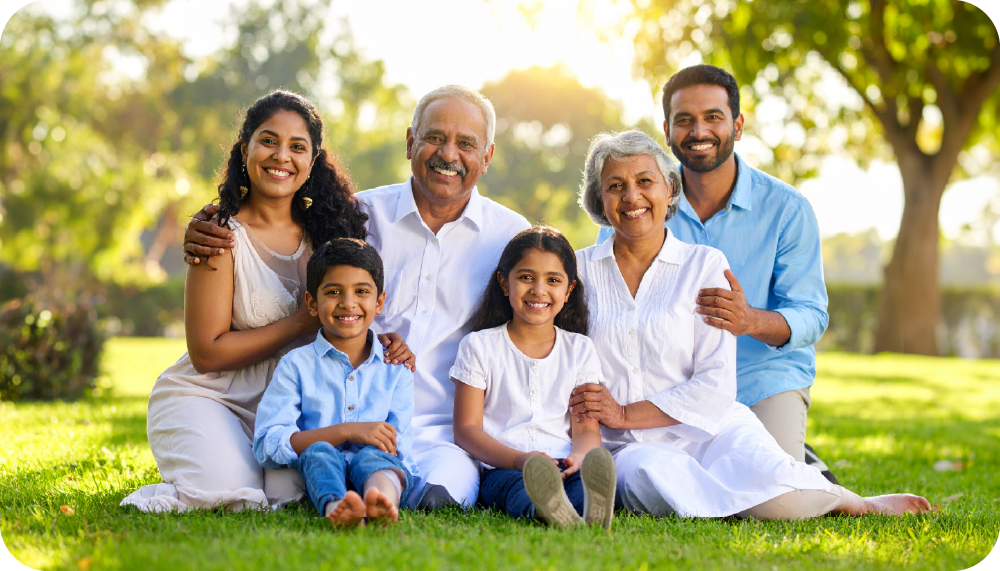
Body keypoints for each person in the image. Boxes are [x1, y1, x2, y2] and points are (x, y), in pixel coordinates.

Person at [182, 86, 531, 509]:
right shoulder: (355, 216)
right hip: (340, 417)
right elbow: (277, 220)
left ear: (488, 157)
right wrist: (205, 224)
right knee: (280, 487)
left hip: (446, 431)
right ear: (410, 142)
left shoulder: (510, 235)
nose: (448, 154)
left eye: (466, 144)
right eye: (435, 137)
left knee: (444, 496)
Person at [574, 130, 931, 519]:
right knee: (651, 478)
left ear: (670, 189)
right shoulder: (577, 270)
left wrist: (626, 411)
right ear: (600, 200)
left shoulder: (705, 265)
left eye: (645, 181)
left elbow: (716, 384)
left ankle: (847, 500)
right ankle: (746, 495)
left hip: (710, 429)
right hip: (625, 445)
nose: (632, 197)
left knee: (788, 503)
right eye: (615, 186)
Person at [121, 91, 412, 512]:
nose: (282, 156)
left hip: (291, 411)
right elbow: (205, 354)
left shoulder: (329, 233)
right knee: (236, 496)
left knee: (293, 496)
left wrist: (384, 342)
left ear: (313, 161)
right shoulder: (220, 234)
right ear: (245, 149)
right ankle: (192, 475)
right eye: (268, 141)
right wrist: (300, 323)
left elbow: (352, 306)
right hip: (212, 396)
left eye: (297, 147)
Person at [595, 65, 831, 475]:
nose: (698, 130)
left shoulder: (788, 209)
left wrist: (750, 319)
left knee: (763, 491)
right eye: (684, 120)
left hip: (759, 380)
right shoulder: (637, 206)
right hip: (665, 385)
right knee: (656, 476)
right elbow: (603, 291)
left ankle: (793, 455)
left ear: (737, 126)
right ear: (667, 132)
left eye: (713, 118)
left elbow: (811, 314)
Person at [451, 227, 616, 528]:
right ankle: (551, 511)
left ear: (568, 291)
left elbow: (586, 430)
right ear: (504, 283)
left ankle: (587, 509)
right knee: (518, 490)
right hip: (504, 467)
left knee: (579, 486)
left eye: (553, 280)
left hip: (563, 462)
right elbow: (466, 430)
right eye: (526, 277)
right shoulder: (479, 346)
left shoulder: (580, 349)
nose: (539, 290)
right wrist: (518, 460)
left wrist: (579, 457)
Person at [253, 239, 416, 527]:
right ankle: (338, 508)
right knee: (319, 453)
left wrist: (373, 448)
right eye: (333, 292)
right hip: (317, 468)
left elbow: (398, 445)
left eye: (361, 291)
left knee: (374, 458)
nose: (348, 302)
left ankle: (382, 501)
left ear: (379, 302)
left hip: (378, 467)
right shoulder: (296, 365)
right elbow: (268, 442)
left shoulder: (396, 368)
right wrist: (345, 431)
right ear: (312, 303)